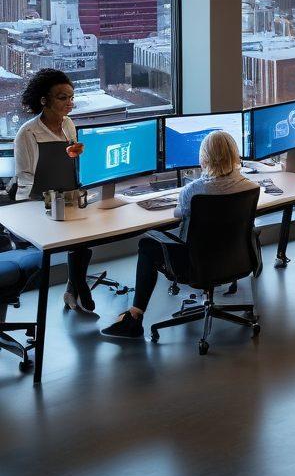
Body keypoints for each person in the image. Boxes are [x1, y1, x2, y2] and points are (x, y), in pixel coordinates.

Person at [100, 130, 258, 339]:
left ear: (204, 159)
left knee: (148, 244)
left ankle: (135, 318)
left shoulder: (193, 191)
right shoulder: (250, 187)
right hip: (236, 260)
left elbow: (178, 213)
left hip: (196, 265)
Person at [13, 70, 92, 312]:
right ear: (44, 100)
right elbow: (25, 178)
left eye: (71, 97)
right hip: (39, 201)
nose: (70, 103)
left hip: (68, 194)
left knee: (86, 237)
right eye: (62, 98)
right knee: (76, 240)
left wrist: (78, 156)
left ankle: (72, 288)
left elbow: (69, 163)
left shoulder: (69, 124)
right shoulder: (27, 133)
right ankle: (78, 285)